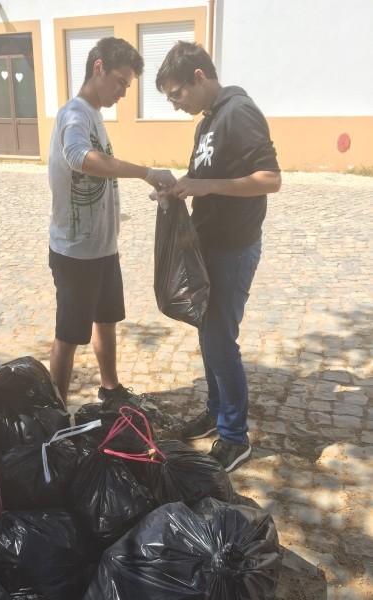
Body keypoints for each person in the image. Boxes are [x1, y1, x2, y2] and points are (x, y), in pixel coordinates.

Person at [155, 41, 281, 472]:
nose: (175, 105)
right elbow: (206, 175)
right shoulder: (206, 121)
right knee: (206, 332)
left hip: (234, 249)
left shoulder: (239, 112)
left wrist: (208, 187)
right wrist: (180, 187)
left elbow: (270, 179)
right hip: (207, 247)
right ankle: (215, 409)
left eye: (176, 94)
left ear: (199, 77)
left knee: (219, 338)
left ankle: (233, 435)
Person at [48, 37, 176, 407]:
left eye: (128, 85)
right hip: (75, 252)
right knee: (69, 334)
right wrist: (146, 172)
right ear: (98, 67)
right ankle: (55, 410)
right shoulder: (74, 113)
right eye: (121, 81)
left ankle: (111, 389)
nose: (123, 91)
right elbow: (79, 157)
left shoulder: (94, 115)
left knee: (106, 319)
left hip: (102, 248)